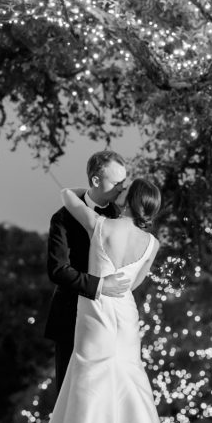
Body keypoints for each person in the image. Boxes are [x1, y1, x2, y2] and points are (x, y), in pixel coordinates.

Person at [29, 178, 180, 423]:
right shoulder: (152, 243)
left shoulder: (100, 225)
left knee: (90, 383)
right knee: (127, 387)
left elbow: (68, 197)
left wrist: (101, 188)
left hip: (97, 312)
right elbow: (133, 284)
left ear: (128, 199)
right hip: (125, 315)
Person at [45, 150, 131, 395]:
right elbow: (57, 270)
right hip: (70, 318)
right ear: (95, 180)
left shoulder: (122, 217)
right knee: (70, 393)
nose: (121, 189)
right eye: (116, 183)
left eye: (124, 183)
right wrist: (101, 285)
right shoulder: (62, 218)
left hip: (109, 321)